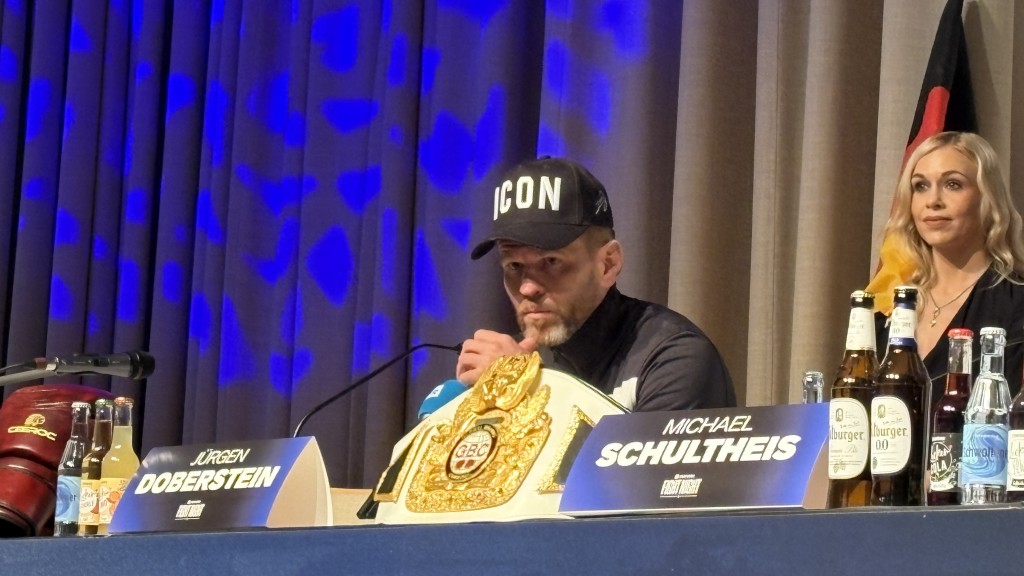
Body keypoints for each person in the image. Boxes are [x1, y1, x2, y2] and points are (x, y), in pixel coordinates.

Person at [457, 156, 736, 412]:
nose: (527, 288)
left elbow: (622, 469)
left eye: (551, 262)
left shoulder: (673, 358)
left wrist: (520, 393)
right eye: (514, 266)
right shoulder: (508, 365)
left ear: (608, 264)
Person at [870, 131, 1024, 404]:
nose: (933, 201)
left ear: (988, 199)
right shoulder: (887, 309)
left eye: (953, 184)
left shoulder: (1016, 303)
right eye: (920, 186)